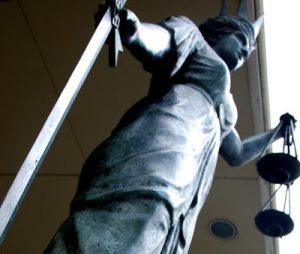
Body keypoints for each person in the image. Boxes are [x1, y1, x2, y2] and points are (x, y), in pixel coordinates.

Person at [45, 0, 295, 253]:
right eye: (240, 40)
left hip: (190, 169)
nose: (244, 52)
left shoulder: (225, 103)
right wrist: (135, 32)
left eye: (248, 50)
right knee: (141, 211)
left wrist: (275, 133)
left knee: (157, 229)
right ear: (218, 32)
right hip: (163, 141)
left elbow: (236, 152)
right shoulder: (193, 38)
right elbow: (163, 41)